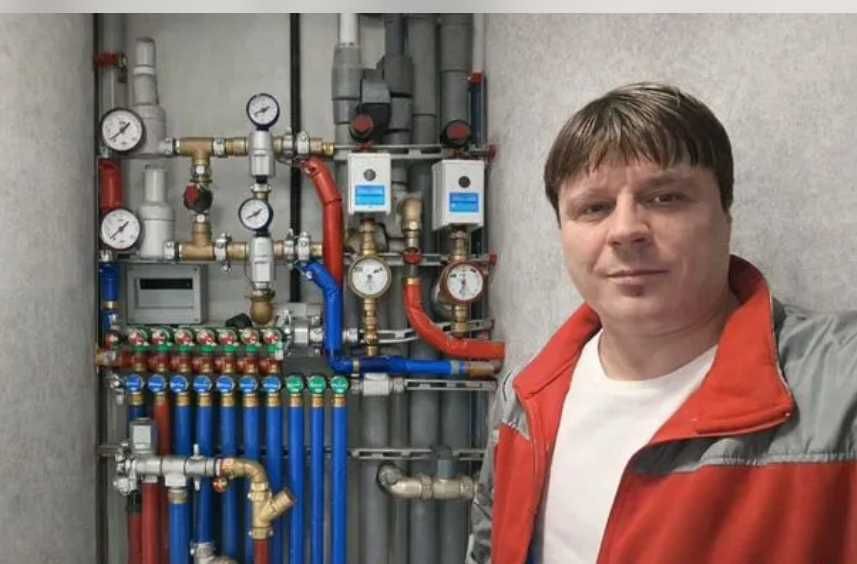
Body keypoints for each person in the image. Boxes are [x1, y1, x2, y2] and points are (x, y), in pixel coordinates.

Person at [466, 82, 857, 564]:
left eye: (666, 197)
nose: (626, 230)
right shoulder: (523, 400)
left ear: (726, 216)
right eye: (594, 208)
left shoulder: (839, 388)